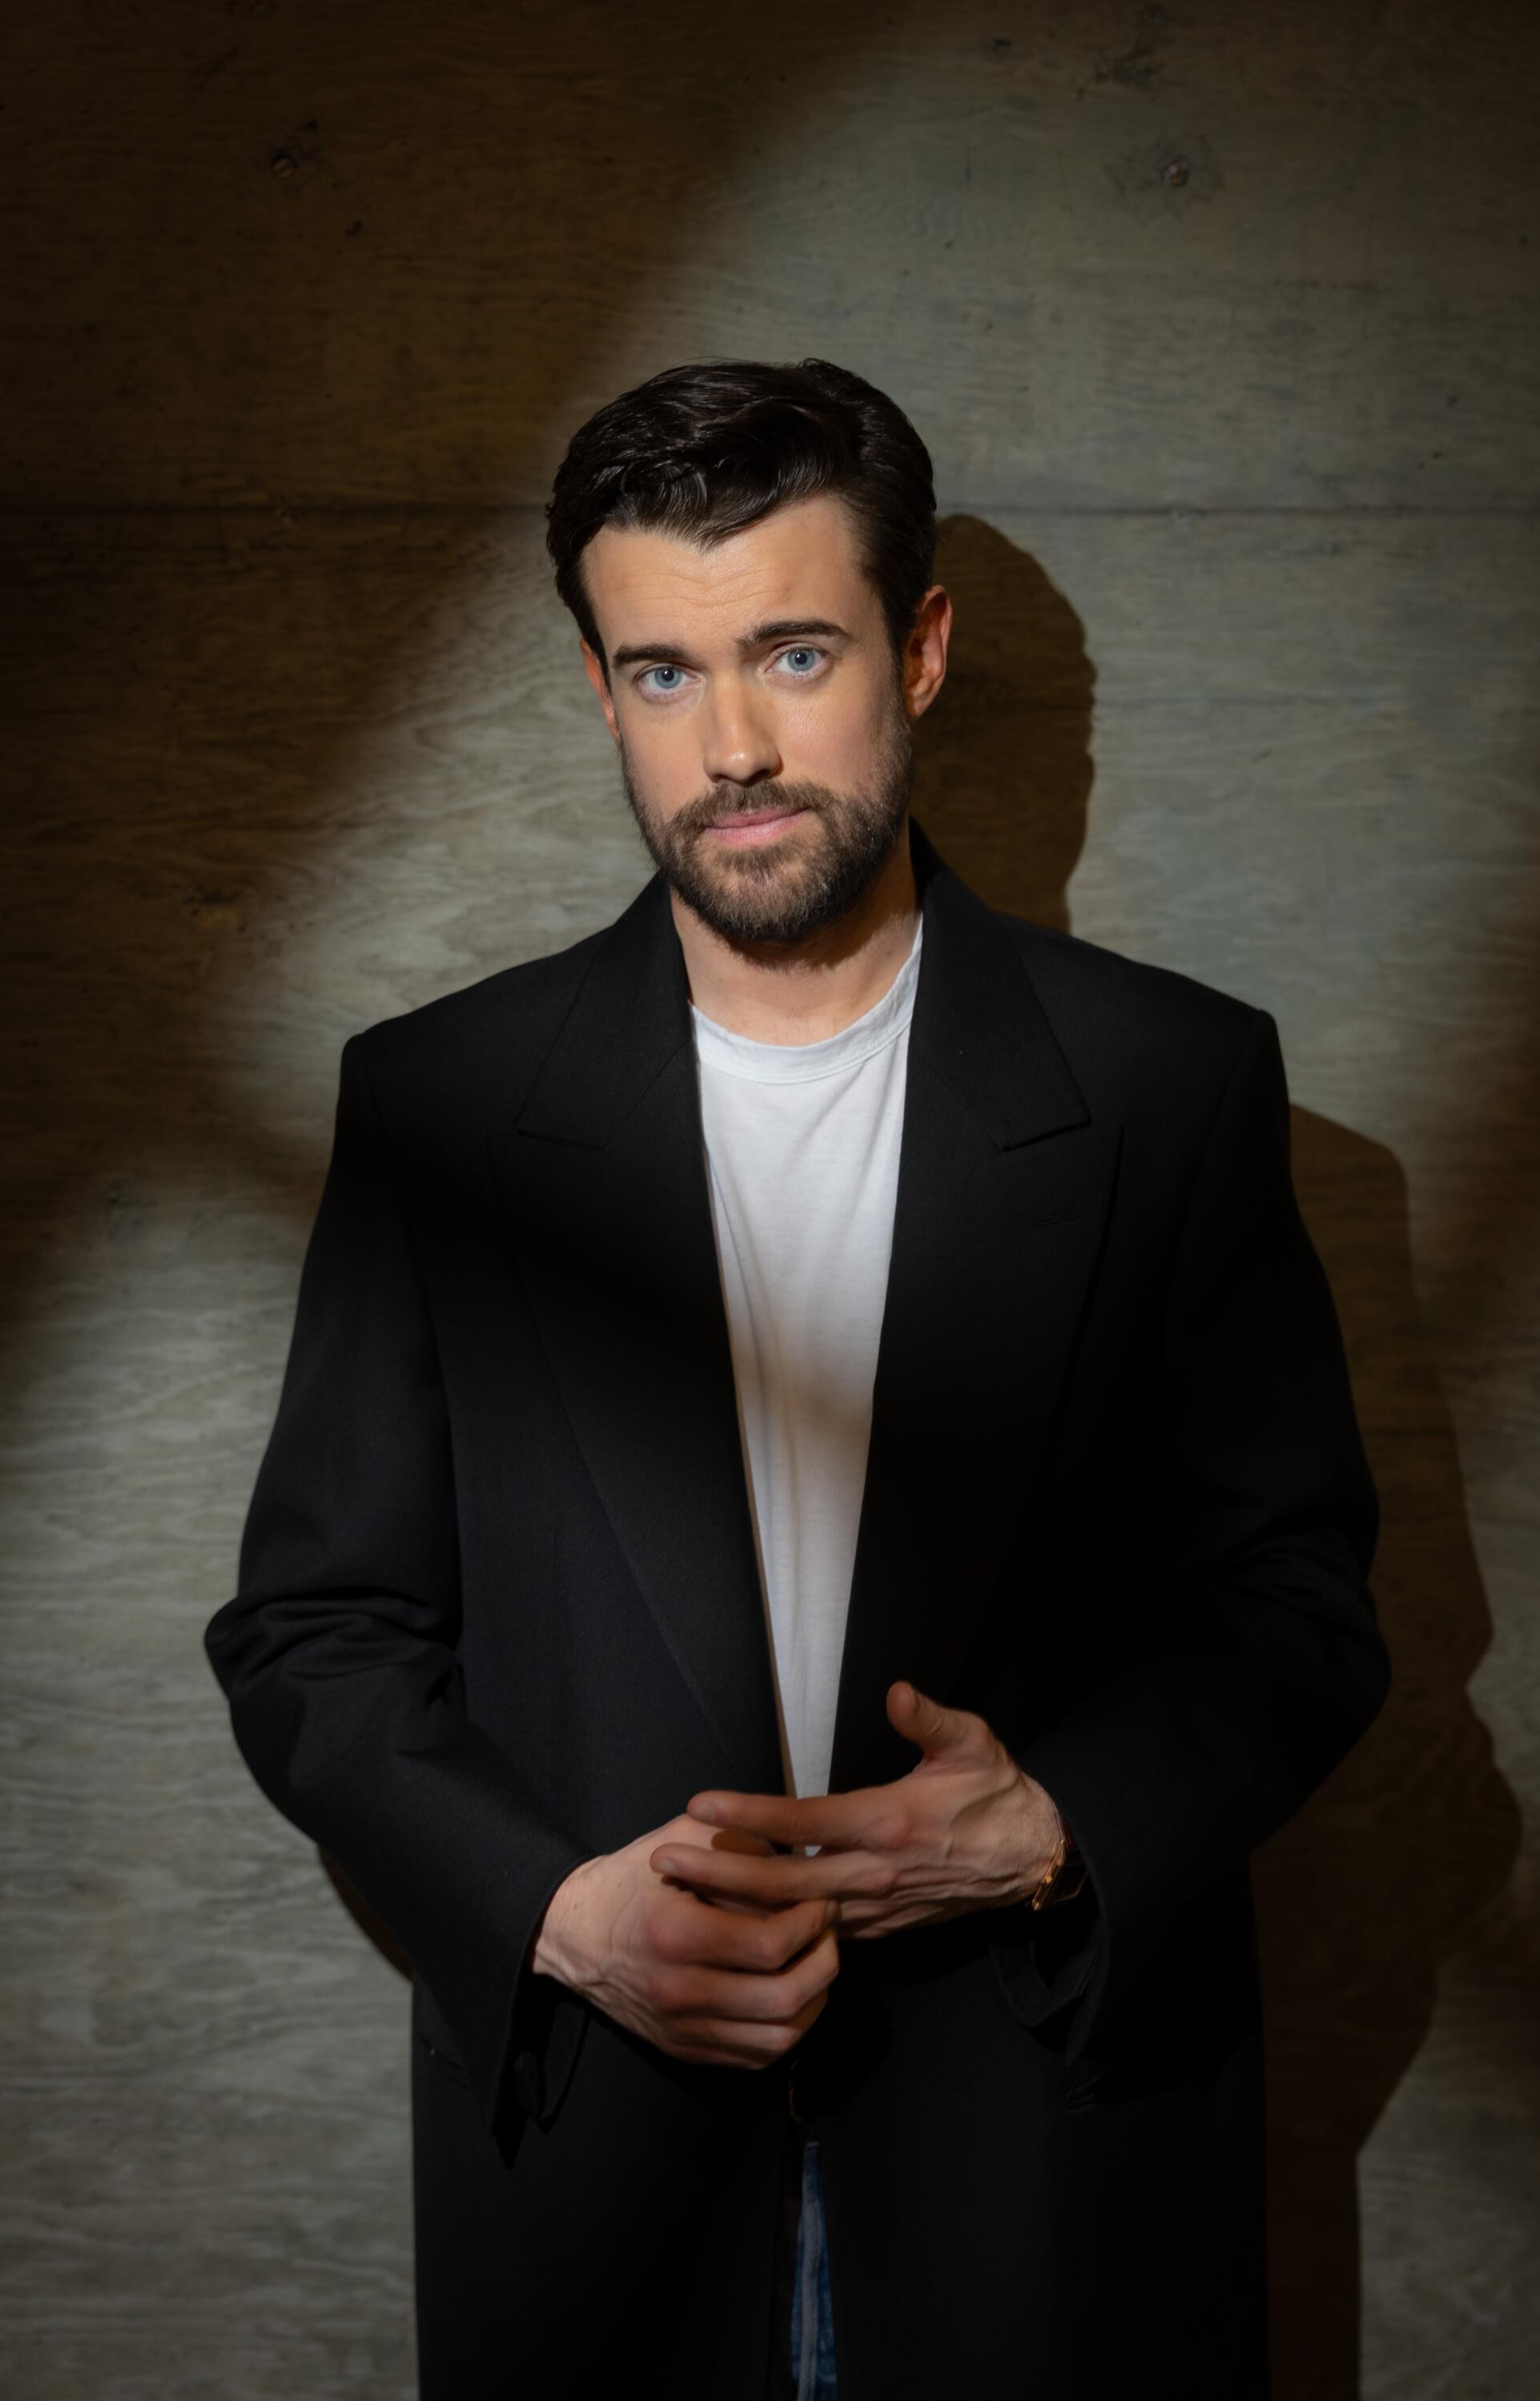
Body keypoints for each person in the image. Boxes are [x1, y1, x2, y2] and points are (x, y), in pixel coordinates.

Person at [203, 356, 1390, 2399]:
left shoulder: (1170, 1083)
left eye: (791, 650)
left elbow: (1295, 1604)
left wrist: (1049, 1824)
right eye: (662, 674)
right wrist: (563, 1911)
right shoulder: (441, 1105)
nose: (732, 746)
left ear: (918, 651)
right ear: (598, 690)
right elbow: (314, 1629)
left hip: (1052, 2169)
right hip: (601, 2183)